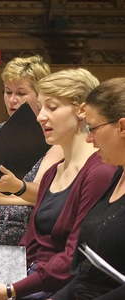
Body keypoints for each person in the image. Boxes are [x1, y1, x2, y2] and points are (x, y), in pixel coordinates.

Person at [0, 68, 117, 300]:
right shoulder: (53, 172)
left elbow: (72, 259)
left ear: (81, 110)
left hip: (59, 285)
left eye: (52, 107)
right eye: (42, 106)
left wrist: (10, 290)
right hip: (35, 276)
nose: (40, 116)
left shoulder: (98, 171)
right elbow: (31, 244)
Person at [0, 55, 63, 245]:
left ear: (40, 95)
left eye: (21, 93)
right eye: (7, 92)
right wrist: (24, 195)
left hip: (27, 234)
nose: (12, 100)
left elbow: (41, 194)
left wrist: (2, 193)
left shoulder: (54, 139)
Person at [50, 77, 125, 300]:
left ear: (122, 126)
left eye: (92, 128)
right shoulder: (117, 174)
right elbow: (87, 276)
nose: (89, 139)